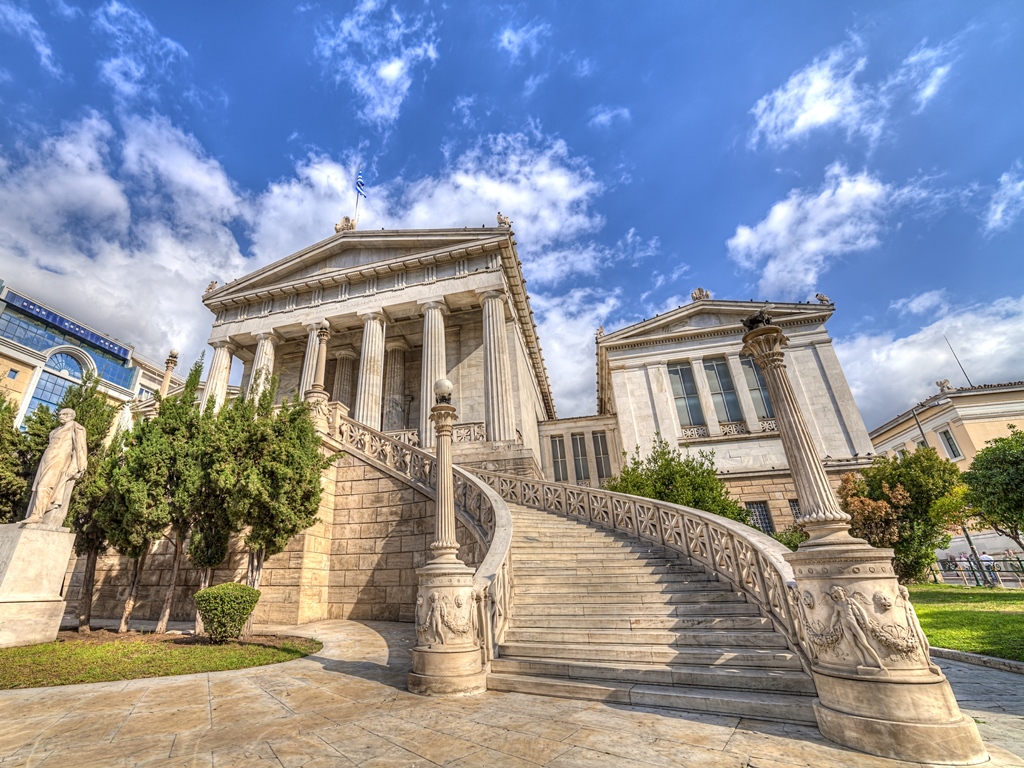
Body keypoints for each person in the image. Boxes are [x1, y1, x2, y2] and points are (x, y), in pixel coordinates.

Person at [22, 408, 88, 528]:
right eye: (60, 414)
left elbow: (81, 448)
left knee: (45, 486)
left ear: (72, 416)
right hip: (46, 459)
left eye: (65, 414)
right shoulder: (55, 431)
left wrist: (78, 466)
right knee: (38, 487)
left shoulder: (76, 428)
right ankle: (34, 513)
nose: (61, 416)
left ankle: (38, 514)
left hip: (60, 460)